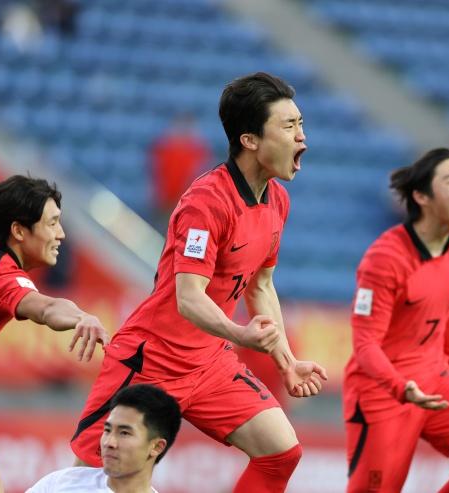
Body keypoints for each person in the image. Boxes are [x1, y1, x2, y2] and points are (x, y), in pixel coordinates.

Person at [71, 72, 327, 493]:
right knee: (87, 479)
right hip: (150, 361)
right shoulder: (206, 201)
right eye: (289, 126)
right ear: (250, 140)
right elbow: (189, 298)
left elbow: (260, 287)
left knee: (281, 452)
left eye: (300, 125)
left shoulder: (277, 199)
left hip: (210, 364)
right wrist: (240, 334)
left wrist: (287, 362)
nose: (303, 138)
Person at [343, 148, 449, 493]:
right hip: (382, 390)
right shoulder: (384, 259)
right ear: (421, 196)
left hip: (435, 376)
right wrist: (399, 387)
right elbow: (364, 345)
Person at [0, 175, 109, 493]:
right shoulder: (2, 278)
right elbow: (45, 308)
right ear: (19, 230)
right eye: (52, 223)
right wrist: (82, 317)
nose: (61, 234)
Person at [28, 384, 181, 493]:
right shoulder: (61, 483)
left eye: (124, 433)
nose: (109, 442)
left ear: (157, 447)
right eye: (107, 430)